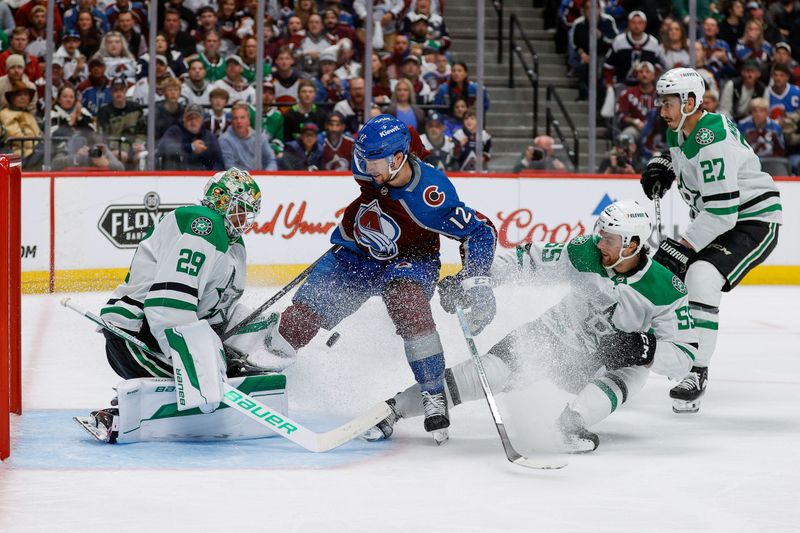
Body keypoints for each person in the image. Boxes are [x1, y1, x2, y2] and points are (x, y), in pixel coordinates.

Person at [363, 200, 697, 453]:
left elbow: (685, 354)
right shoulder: (584, 253)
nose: (600, 243)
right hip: (551, 341)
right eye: (601, 234)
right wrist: (473, 279)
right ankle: (394, 409)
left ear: (633, 244)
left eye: (609, 239)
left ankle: (572, 423)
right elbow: (527, 261)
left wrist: (650, 350)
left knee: (634, 371)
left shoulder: (666, 289)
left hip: (598, 365)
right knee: (485, 374)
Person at [258, 115, 498, 443]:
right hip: (358, 254)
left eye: (373, 161)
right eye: (363, 157)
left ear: (399, 159)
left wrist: (477, 281)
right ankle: (258, 371)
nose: (364, 166)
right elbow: (403, 138)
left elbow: (480, 230)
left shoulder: (432, 195)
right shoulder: (372, 163)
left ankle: (433, 392)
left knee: (408, 304)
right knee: (300, 320)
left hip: (411, 260)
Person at [75, 169, 289, 444]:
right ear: (222, 201)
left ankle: (160, 398)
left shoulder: (232, 243)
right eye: (240, 210)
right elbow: (167, 305)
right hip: (136, 335)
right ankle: (125, 412)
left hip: (156, 334)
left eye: (249, 213)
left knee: (229, 367)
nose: (244, 220)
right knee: (207, 385)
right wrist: (201, 367)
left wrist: (235, 357)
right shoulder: (203, 224)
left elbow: (214, 313)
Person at [640, 67, 782, 413]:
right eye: (661, 102)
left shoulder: (712, 139)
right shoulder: (681, 129)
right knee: (665, 279)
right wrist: (664, 166)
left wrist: (684, 245)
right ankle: (672, 355)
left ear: (690, 101)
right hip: (721, 219)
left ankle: (696, 370)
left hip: (752, 221)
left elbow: (723, 212)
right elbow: (682, 159)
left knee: (701, 276)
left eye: (669, 103)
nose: (662, 110)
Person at [96, 75, 146, 167]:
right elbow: (103, 136)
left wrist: (139, 144)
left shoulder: (136, 108)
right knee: (121, 155)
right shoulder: (104, 111)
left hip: (133, 147)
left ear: (126, 90)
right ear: (110, 92)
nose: (119, 93)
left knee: (142, 155)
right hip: (113, 148)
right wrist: (117, 149)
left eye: (121, 90)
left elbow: (142, 131)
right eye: (115, 90)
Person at [156, 104, 225, 171]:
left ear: (202, 120)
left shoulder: (209, 136)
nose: (193, 121)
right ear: (184, 119)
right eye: (190, 117)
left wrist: (211, 176)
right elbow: (163, 148)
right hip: (177, 177)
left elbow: (219, 162)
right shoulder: (175, 131)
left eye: (197, 118)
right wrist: (191, 147)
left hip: (203, 178)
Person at [220, 101, 279, 171]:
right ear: (231, 121)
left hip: (261, 178)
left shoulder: (260, 138)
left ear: (248, 121)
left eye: (242, 118)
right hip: (238, 180)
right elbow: (230, 166)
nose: (239, 121)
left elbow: (271, 161)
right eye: (235, 118)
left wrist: (266, 175)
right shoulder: (224, 140)